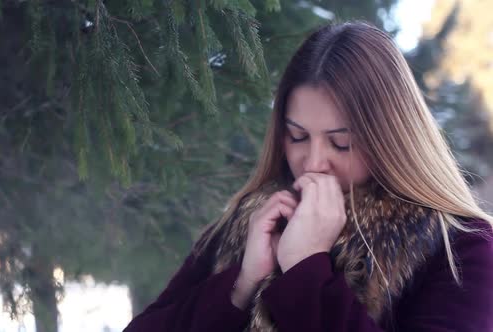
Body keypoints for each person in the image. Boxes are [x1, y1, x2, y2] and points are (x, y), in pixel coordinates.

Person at [123, 21, 493, 332]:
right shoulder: (246, 224)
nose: (314, 162)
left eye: (341, 143)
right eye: (298, 136)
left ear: (391, 139)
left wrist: (305, 269)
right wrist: (241, 284)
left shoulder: (460, 247)